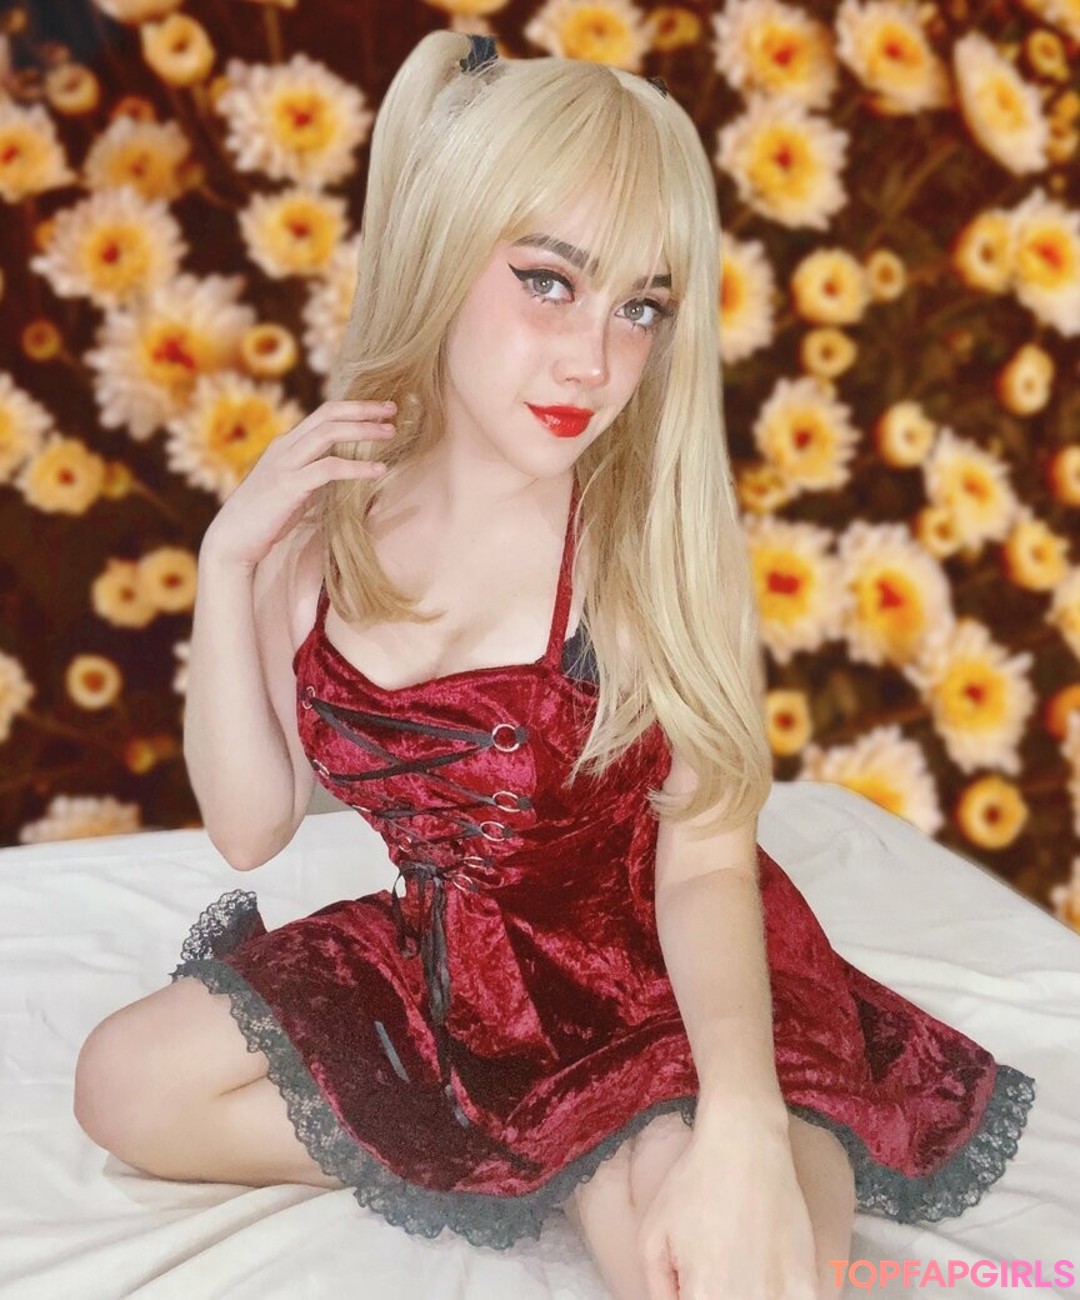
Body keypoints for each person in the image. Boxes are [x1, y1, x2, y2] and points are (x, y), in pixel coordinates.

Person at [73, 31, 1036, 1300]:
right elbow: (251, 828)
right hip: (454, 983)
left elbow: (705, 861)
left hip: (658, 984)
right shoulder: (318, 541)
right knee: (124, 1085)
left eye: (641, 307)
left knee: (733, 1264)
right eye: (548, 282)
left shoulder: (637, 547)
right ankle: (538, 1152)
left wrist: (742, 1118)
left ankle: (602, 1148)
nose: (594, 360)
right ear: (439, 253)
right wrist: (225, 560)